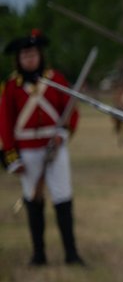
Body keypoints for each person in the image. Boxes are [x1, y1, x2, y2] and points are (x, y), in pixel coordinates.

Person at [1, 30, 84, 266]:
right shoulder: (10, 86)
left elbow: (70, 111)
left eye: (33, 54)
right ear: (18, 58)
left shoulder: (55, 79)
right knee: (33, 199)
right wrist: (12, 155)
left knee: (63, 197)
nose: (30, 59)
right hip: (27, 150)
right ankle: (39, 254)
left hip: (54, 146)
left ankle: (71, 253)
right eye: (25, 55)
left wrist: (62, 135)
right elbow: (5, 122)